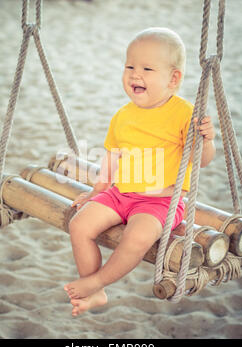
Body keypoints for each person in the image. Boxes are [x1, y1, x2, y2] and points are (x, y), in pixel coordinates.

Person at [64, 27, 216, 316]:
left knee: (137, 237)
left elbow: (202, 160)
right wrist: (96, 192)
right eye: (130, 66)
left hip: (160, 202)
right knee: (79, 225)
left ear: (173, 79)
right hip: (120, 193)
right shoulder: (122, 115)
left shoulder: (185, 114)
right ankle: (97, 293)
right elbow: (112, 157)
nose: (135, 74)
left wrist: (207, 140)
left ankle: (96, 281)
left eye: (147, 68)